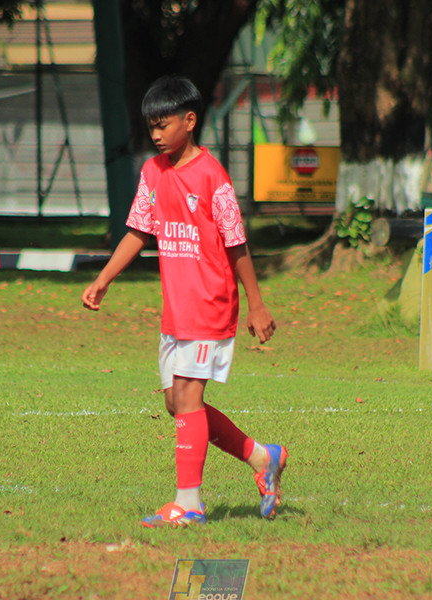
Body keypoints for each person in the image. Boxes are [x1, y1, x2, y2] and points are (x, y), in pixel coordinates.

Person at [81, 74, 288, 528]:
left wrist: (256, 304)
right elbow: (138, 232)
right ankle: (262, 457)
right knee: (177, 404)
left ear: (189, 121)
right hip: (175, 309)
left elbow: (236, 242)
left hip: (211, 304)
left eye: (163, 124)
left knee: (189, 399)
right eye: (150, 126)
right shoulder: (152, 173)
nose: (155, 134)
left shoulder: (212, 175)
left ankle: (189, 504)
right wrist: (104, 279)